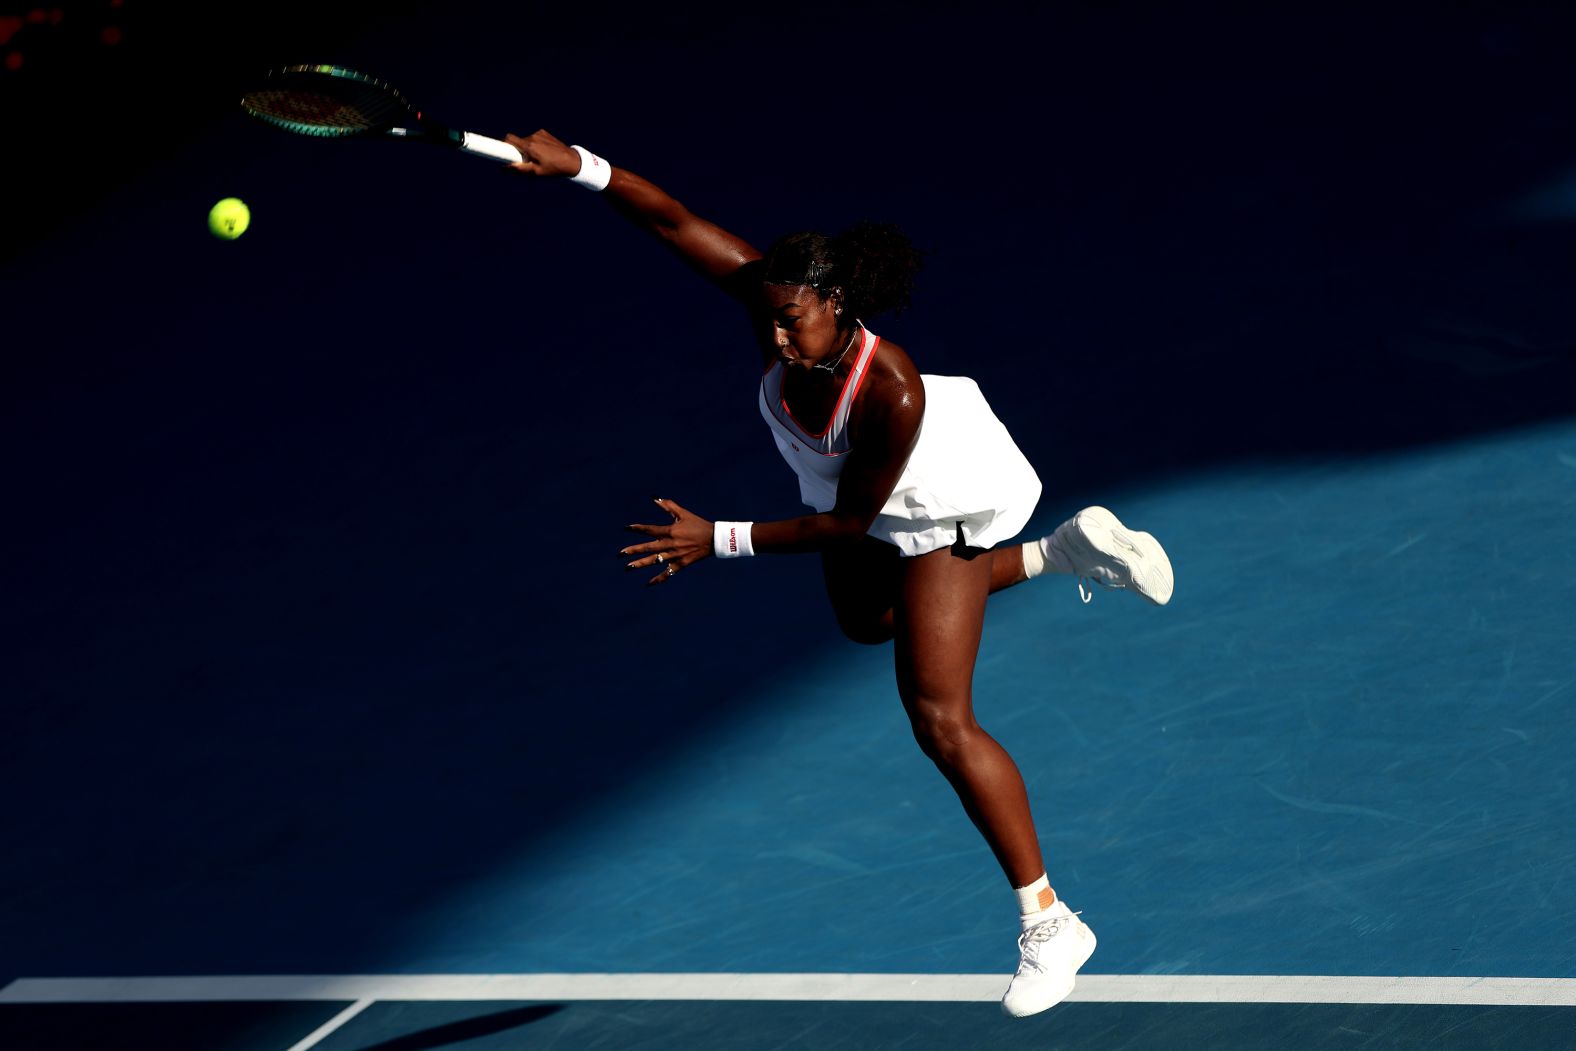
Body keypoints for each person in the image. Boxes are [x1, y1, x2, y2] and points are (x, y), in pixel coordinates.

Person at [504, 129, 1174, 1018]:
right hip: (855, 501)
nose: (778, 335)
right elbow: (672, 222)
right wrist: (582, 167)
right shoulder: (781, 314)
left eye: (795, 318)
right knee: (868, 622)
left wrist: (721, 538)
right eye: (770, 316)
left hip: (941, 500)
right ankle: (1062, 552)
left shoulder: (889, 387)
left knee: (939, 717)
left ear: (838, 300)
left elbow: (849, 524)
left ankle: (1052, 923)